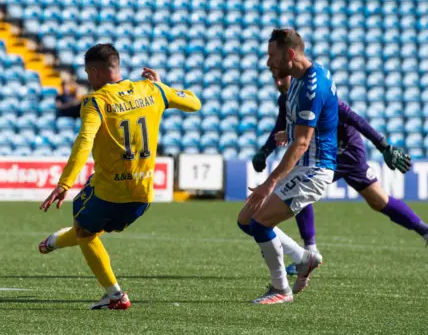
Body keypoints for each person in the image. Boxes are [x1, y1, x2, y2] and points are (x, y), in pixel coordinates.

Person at [38, 44, 201, 310]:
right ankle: (52, 242)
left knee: (84, 229)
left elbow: (84, 141)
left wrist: (64, 183)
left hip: (109, 190)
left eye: (88, 74)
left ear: (94, 71)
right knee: (89, 229)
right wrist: (163, 85)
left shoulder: (96, 101)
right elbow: (194, 103)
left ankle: (115, 296)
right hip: (144, 193)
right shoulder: (153, 90)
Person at [249, 74, 428, 274]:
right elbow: (281, 127)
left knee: (307, 185)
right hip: (327, 153)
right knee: (375, 200)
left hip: (347, 150)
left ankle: (309, 253)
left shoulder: (316, 93)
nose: (279, 82)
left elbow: (354, 119)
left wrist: (384, 146)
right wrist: (265, 150)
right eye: (276, 78)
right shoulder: (286, 98)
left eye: (283, 77)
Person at [237, 29, 338, 304]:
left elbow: (303, 143)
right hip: (301, 165)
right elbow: (300, 131)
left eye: (272, 55)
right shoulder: (296, 79)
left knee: (259, 223)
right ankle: (303, 259)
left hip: (314, 170)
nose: (268, 62)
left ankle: (280, 289)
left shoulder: (311, 87)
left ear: (290, 54)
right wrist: (288, 134)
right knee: (246, 220)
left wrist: (270, 181)